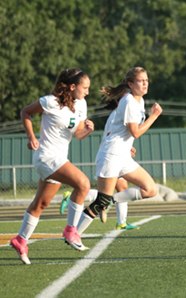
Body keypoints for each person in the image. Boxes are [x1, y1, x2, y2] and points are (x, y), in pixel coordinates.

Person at [10, 68, 94, 265]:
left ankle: (21, 240)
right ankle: (71, 231)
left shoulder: (81, 104)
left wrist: (88, 130)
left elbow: (78, 134)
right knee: (83, 184)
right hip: (47, 157)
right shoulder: (50, 101)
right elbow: (25, 112)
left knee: (41, 204)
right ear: (72, 87)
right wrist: (31, 137)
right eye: (85, 88)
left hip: (59, 158)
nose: (87, 92)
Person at [76, 66, 162, 235]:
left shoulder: (139, 101)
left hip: (122, 155)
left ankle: (107, 201)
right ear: (130, 83)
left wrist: (128, 146)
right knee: (101, 202)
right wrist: (154, 116)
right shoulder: (129, 101)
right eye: (141, 81)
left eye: (146, 80)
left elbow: (125, 133)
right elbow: (135, 132)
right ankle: (73, 233)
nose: (145, 83)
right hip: (112, 155)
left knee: (151, 190)